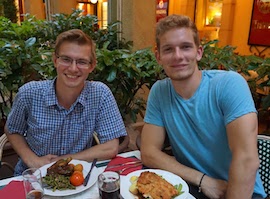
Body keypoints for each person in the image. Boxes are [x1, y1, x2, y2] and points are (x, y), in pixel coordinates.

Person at [140, 15, 267, 199]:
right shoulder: (159, 92)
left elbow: (246, 160)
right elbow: (149, 152)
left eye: (185, 47)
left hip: (241, 192)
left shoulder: (228, 85)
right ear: (158, 56)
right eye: (168, 49)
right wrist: (203, 181)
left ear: (199, 52)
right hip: (193, 187)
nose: (178, 56)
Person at [5, 29, 127, 176]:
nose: (73, 68)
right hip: (32, 177)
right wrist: (32, 160)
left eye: (81, 61)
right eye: (66, 59)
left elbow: (110, 147)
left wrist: (61, 161)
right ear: (55, 60)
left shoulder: (100, 94)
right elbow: (12, 129)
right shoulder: (29, 93)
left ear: (92, 66)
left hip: (77, 178)